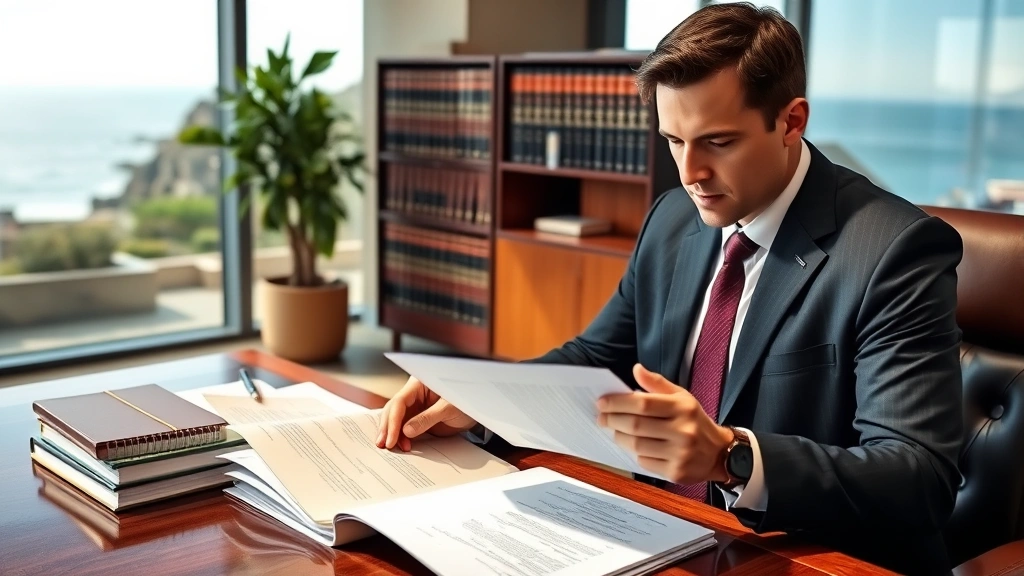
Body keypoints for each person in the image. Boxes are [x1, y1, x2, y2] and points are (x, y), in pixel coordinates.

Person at [376, 3, 964, 574]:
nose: (689, 175)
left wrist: (730, 456)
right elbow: (597, 359)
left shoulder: (895, 251)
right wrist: (479, 400)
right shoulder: (672, 219)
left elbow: (917, 479)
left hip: (804, 557)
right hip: (660, 536)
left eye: (718, 142)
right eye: (674, 141)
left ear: (792, 120)